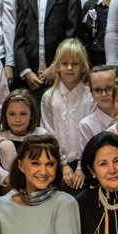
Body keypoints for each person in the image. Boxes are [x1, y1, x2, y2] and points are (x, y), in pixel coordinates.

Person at [15, 0, 82, 100]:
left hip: (61, 72)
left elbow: (72, 33)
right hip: (32, 76)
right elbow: (19, 40)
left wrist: (55, 66)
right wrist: (26, 71)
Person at [39, 39, 94, 191]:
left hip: (87, 162)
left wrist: (82, 166)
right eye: (64, 63)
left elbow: (92, 133)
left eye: (75, 63)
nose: (69, 68)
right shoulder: (49, 97)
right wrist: (63, 164)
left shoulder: (90, 96)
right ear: (56, 66)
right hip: (59, 163)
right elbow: (48, 133)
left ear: (83, 67)